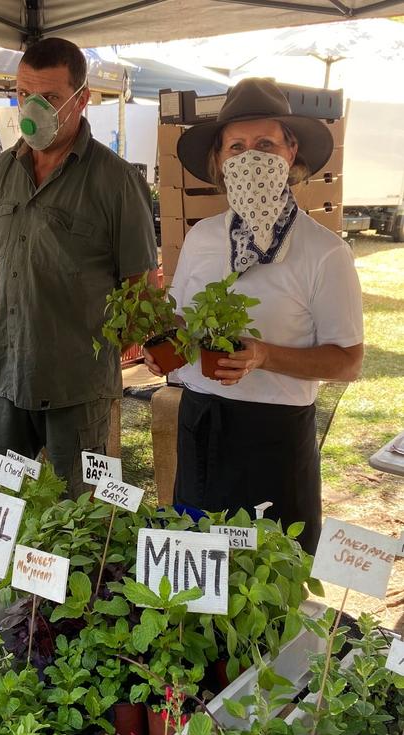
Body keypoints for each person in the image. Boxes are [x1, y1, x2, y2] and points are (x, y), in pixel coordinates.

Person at [145, 79, 363, 554]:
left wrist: (264, 355)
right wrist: (163, 348)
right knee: (199, 576)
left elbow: (347, 361)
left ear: (291, 152)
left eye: (265, 144)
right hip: (202, 425)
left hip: (274, 438)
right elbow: (182, 323)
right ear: (219, 162)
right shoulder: (203, 237)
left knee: (269, 586)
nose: (250, 157)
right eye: (236, 147)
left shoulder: (324, 253)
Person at [0, 37, 158, 497]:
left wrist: (120, 346)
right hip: (4, 372)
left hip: (77, 385)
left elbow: (141, 285)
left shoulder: (116, 180)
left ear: (82, 98)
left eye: (49, 97)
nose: (32, 107)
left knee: (80, 519)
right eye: (22, 93)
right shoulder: (4, 169)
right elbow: (8, 260)